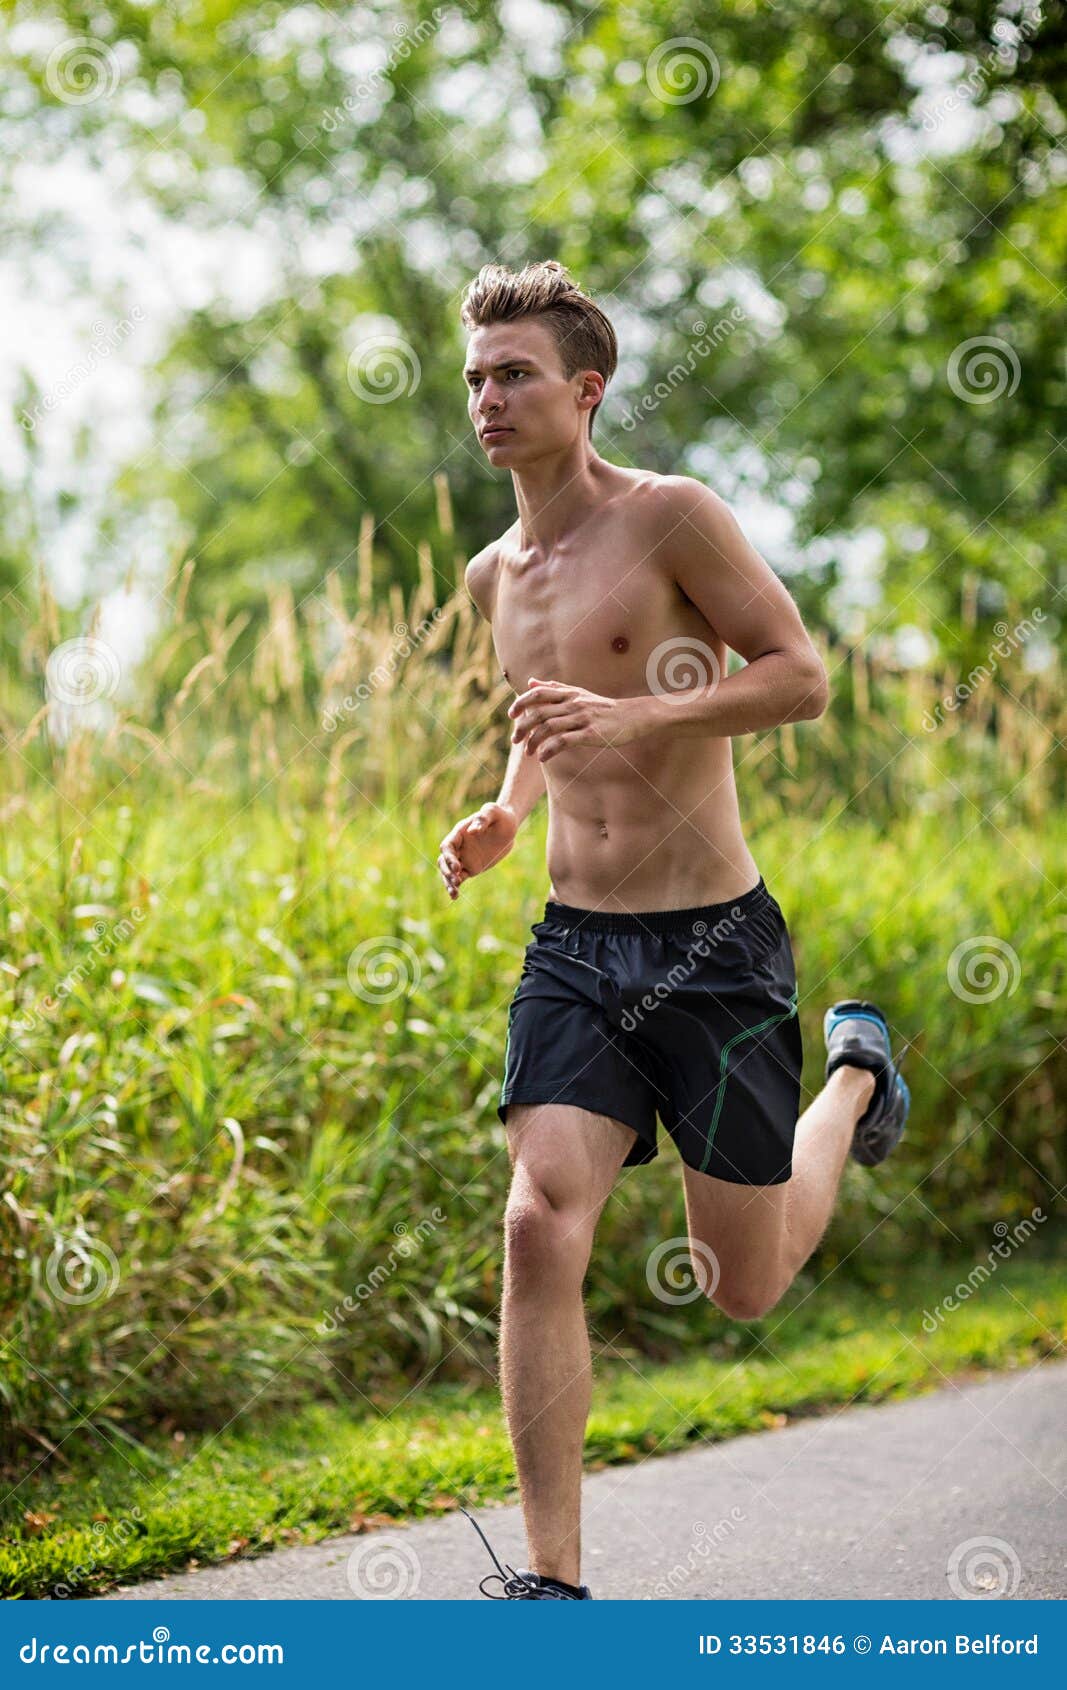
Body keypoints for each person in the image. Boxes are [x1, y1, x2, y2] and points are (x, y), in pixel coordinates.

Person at [437, 259, 910, 1602]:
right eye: (477, 376)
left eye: (516, 373)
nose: (490, 398)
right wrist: (507, 810)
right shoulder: (493, 575)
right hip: (576, 946)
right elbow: (541, 717)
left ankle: (856, 1078)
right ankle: (553, 1583)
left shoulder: (671, 520)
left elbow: (802, 677)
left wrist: (641, 717)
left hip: (714, 947)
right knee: (538, 1220)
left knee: (743, 1287)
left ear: (586, 392)